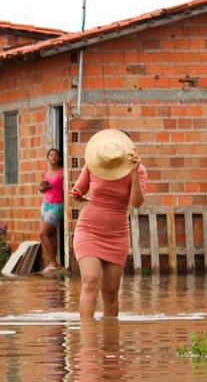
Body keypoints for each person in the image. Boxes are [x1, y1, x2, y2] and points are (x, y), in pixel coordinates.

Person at [71, 129, 147, 318]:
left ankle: (110, 342)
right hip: (88, 230)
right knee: (90, 281)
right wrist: (78, 195)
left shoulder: (139, 170)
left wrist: (135, 173)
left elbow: (136, 203)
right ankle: (88, 342)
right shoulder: (94, 164)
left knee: (111, 291)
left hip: (117, 235)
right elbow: (78, 190)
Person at [37, 148, 65, 273]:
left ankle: (53, 262)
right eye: (51, 155)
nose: (53, 157)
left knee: (42, 233)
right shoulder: (46, 172)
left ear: (59, 158)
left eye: (56, 155)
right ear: (48, 158)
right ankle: (55, 263)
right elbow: (41, 190)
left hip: (56, 205)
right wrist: (42, 187)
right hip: (45, 205)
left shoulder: (63, 172)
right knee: (51, 234)